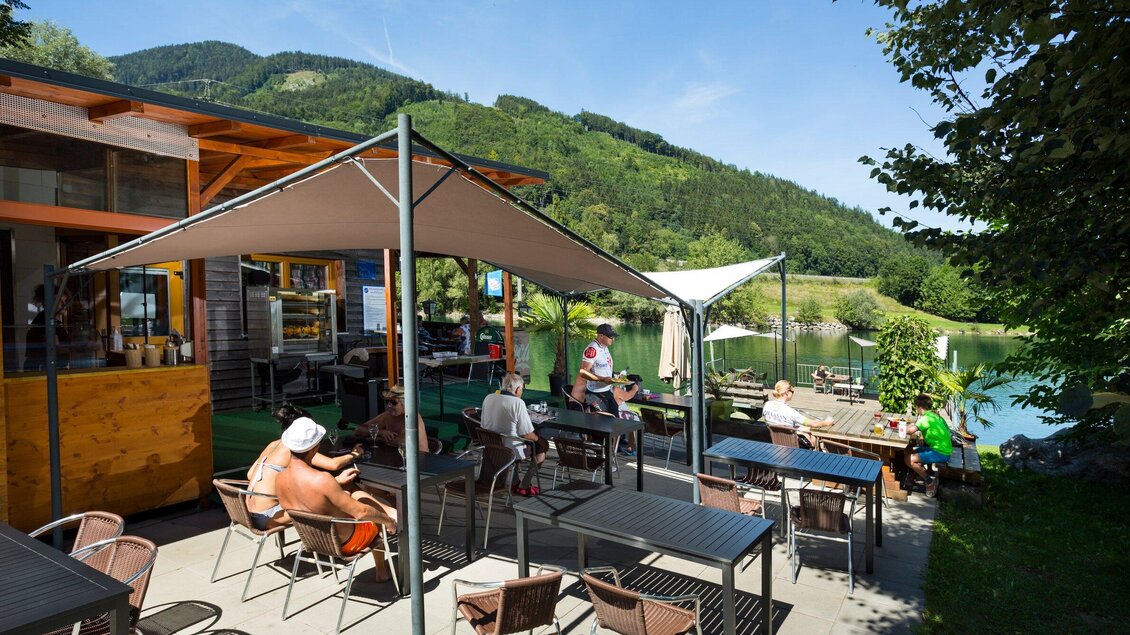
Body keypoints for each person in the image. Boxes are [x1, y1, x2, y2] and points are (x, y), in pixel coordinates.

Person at [275, 417, 398, 583]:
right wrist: (388, 521)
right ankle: (382, 570)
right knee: (376, 518)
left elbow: (304, 503)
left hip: (315, 541)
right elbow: (362, 513)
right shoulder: (322, 480)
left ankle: (388, 511)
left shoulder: (280, 478)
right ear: (315, 447)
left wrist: (336, 483)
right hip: (346, 543)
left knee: (348, 491)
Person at [245, 405, 364, 530]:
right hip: (269, 517)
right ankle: (340, 539)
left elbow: (250, 474)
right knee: (328, 501)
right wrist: (354, 454)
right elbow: (333, 464)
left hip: (247, 513)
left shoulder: (273, 445)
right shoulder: (292, 449)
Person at [480, 372, 547, 496]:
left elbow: (483, 425)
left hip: (491, 447)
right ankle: (524, 485)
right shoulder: (517, 403)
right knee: (541, 449)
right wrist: (540, 440)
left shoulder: (488, 397)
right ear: (517, 389)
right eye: (522, 389)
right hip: (509, 450)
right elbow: (526, 434)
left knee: (517, 439)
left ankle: (515, 482)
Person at [353, 384, 430, 464]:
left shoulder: (413, 417)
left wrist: (377, 437)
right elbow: (358, 430)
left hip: (417, 461)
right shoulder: (388, 415)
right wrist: (380, 432)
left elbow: (401, 443)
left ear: (405, 403)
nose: (389, 405)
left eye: (393, 402)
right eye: (387, 401)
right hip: (396, 457)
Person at [904, 393, 953, 498]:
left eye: (916, 407)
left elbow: (909, 431)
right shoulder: (934, 415)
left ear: (919, 407)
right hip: (940, 448)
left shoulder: (925, 418)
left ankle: (930, 482)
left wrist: (907, 425)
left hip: (941, 452)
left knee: (909, 459)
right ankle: (920, 472)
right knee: (908, 450)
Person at [762, 379, 834, 448]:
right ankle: (813, 454)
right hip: (792, 445)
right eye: (792, 391)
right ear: (787, 392)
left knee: (806, 429)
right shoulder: (790, 411)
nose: (793, 393)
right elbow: (814, 424)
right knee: (813, 436)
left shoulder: (767, 405)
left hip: (776, 441)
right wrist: (827, 423)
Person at [575, 323, 619, 415]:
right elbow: (583, 372)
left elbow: (603, 367)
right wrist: (603, 379)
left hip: (607, 391)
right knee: (602, 422)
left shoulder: (605, 348)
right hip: (595, 393)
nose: (613, 339)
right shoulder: (592, 349)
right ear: (601, 336)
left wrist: (615, 375)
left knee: (615, 418)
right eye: (610, 336)